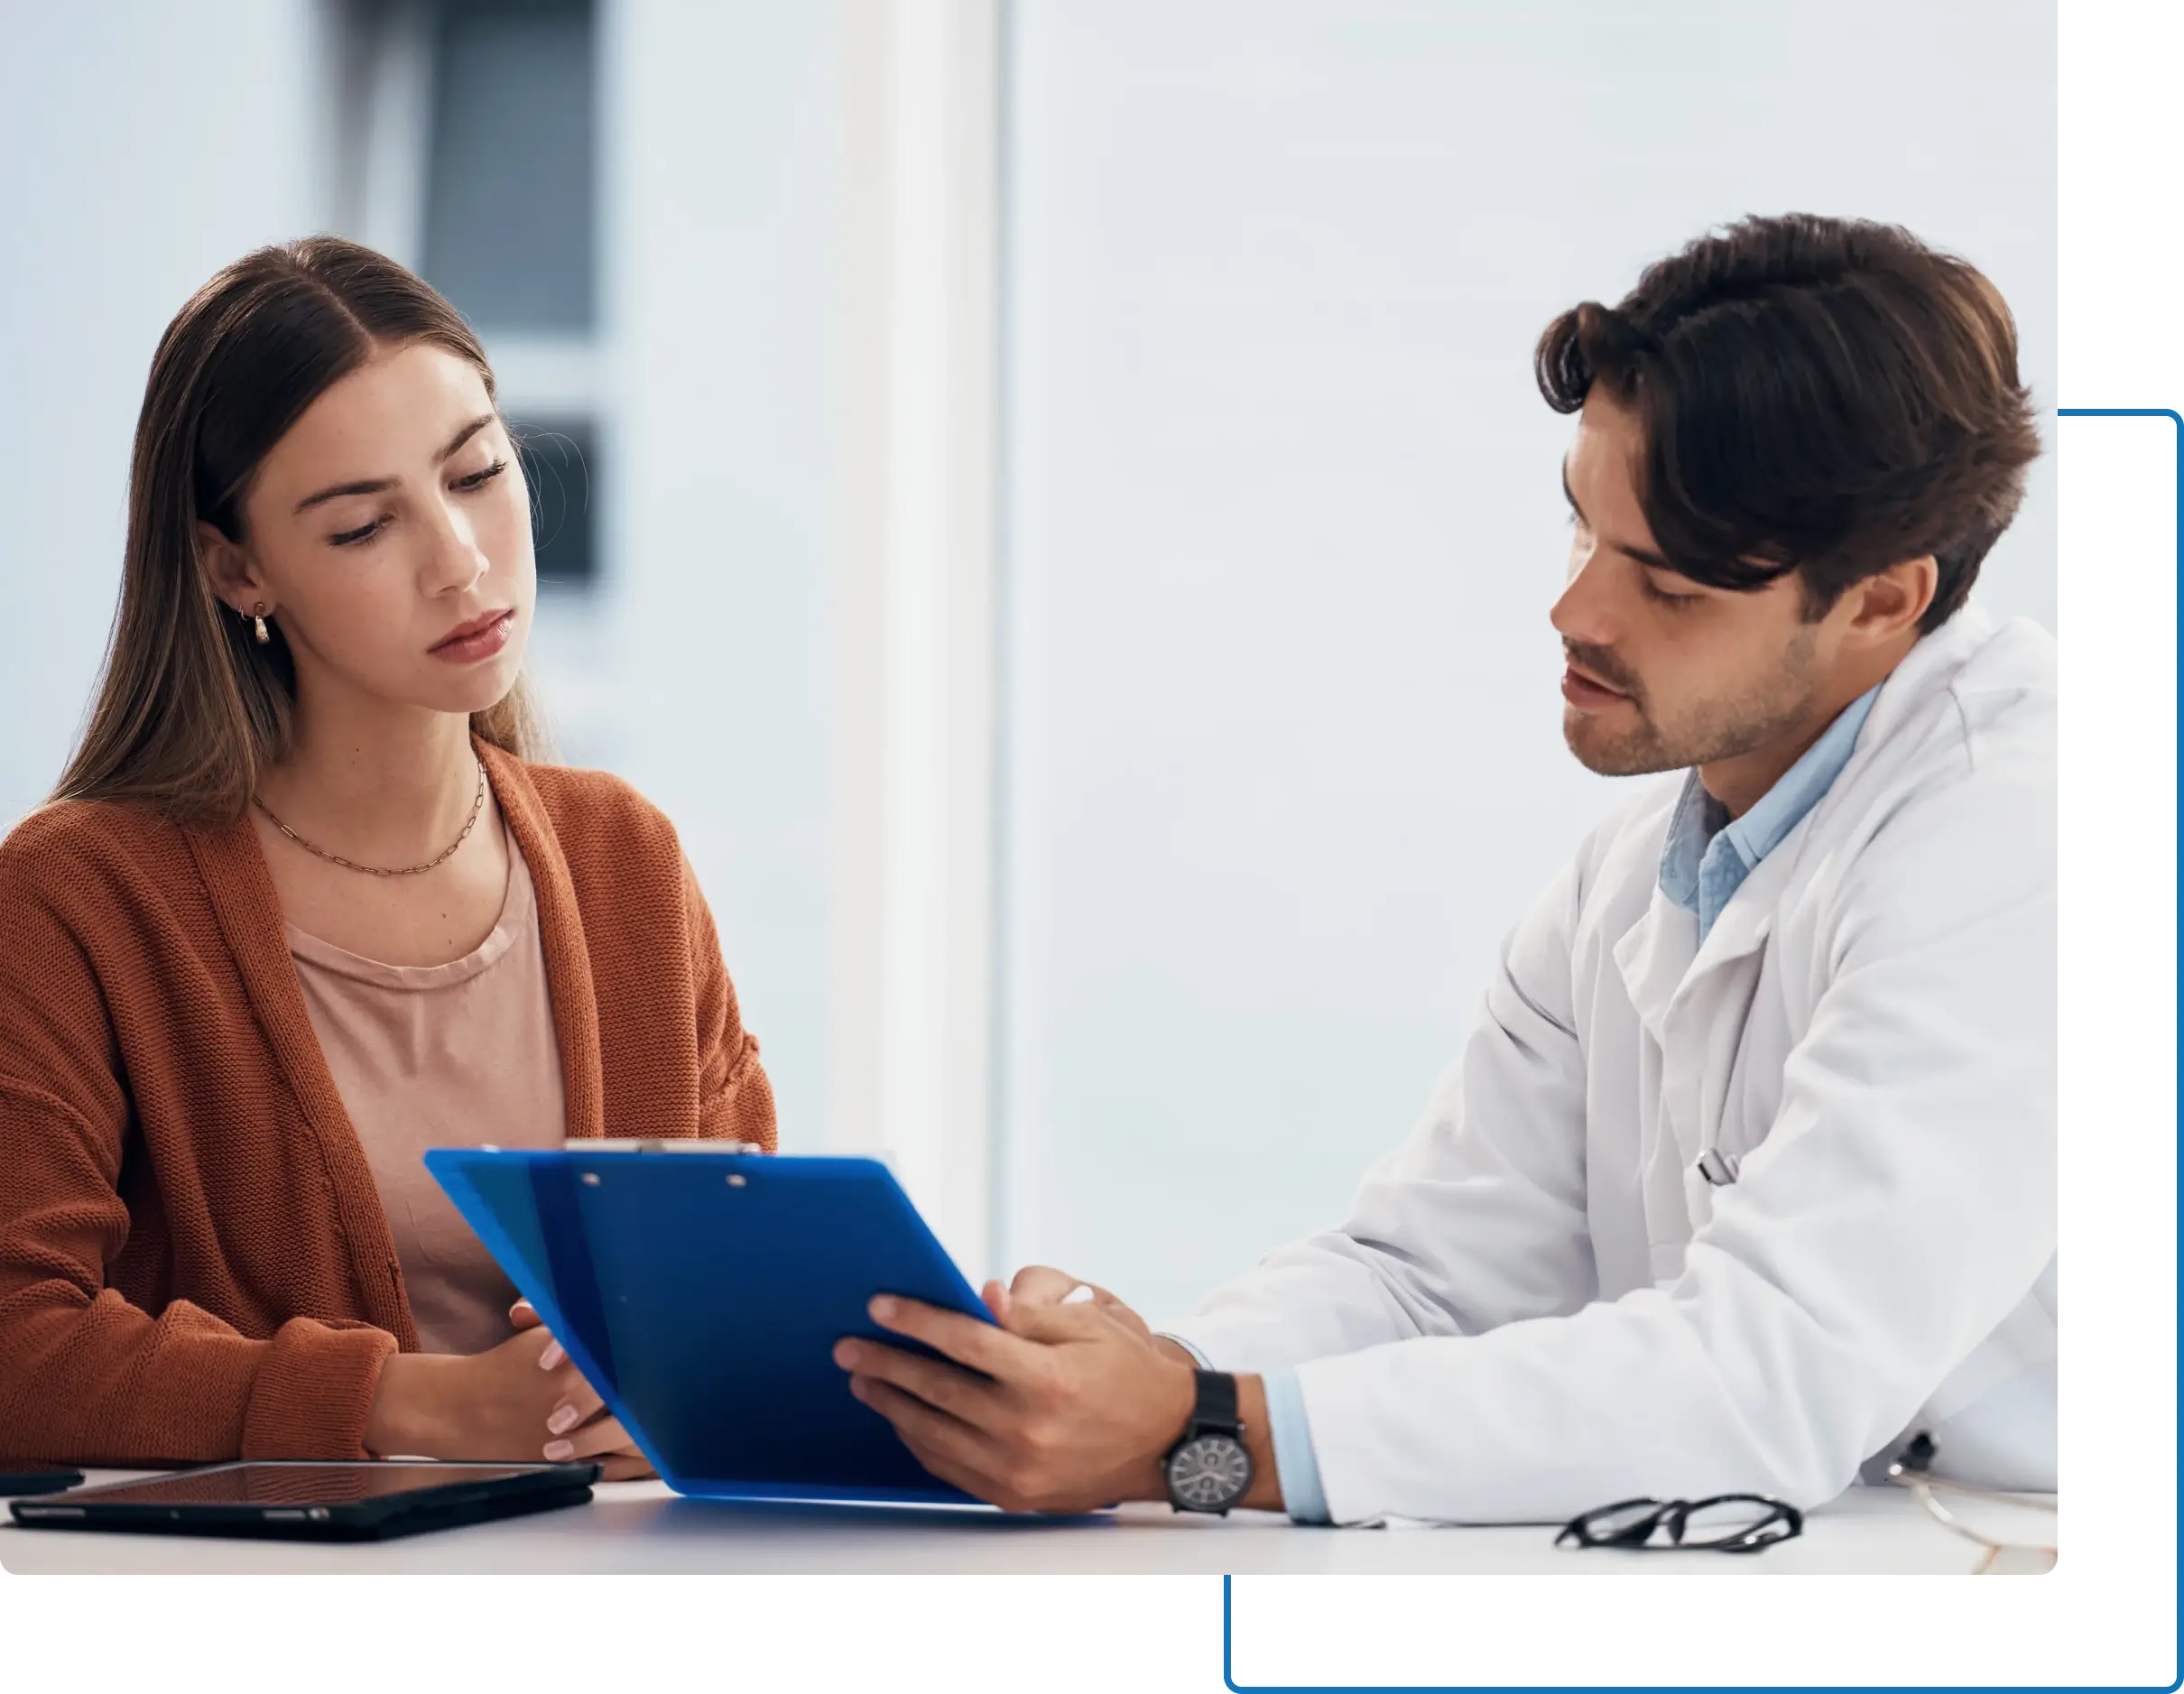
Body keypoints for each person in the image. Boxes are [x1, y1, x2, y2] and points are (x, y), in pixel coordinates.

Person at [833, 213, 2057, 1524]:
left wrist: (1193, 1438)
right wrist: (1100, 1388)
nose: (1575, 611)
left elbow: (1765, 1377)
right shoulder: (1641, 871)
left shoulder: (2014, 838)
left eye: (1668, 586)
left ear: (1883, 600)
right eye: (1580, 528)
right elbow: (1426, 1281)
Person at [0, 238, 774, 1477]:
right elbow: (16, 1343)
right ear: (233, 567)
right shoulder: (78, 898)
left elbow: (742, 1289)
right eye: (364, 527)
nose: (459, 560)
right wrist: (418, 1406)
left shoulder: (624, 858)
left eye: (476, 472)